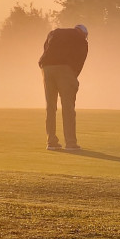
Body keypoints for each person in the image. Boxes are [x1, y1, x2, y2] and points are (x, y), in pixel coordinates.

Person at [38, 22, 89, 152]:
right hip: (65, 69)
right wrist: (73, 78)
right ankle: (71, 143)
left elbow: (46, 48)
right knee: (68, 107)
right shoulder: (81, 40)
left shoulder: (55, 33)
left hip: (47, 68)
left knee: (50, 106)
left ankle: (51, 142)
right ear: (84, 33)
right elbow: (80, 62)